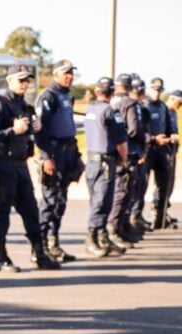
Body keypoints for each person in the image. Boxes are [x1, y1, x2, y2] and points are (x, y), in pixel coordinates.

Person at [0, 65, 60, 271]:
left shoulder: (25, 106)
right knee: (2, 213)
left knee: (31, 211)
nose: (24, 84)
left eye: (27, 80)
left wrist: (36, 129)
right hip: (2, 164)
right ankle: (0, 257)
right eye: (20, 80)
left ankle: (38, 253)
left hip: (20, 164)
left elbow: (34, 135)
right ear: (9, 81)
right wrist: (11, 130)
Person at [34, 60, 83, 263]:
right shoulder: (48, 96)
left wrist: (77, 155)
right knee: (50, 201)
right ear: (55, 74)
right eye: (65, 73)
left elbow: (69, 126)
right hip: (53, 154)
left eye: (71, 73)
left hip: (67, 153)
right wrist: (46, 158)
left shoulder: (66, 95)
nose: (69, 76)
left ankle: (54, 244)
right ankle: (42, 246)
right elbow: (40, 131)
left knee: (60, 202)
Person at [83, 77, 128, 257]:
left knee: (97, 200)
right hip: (105, 162)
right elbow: (121, 142)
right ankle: (92, 237)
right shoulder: (111, 112)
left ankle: (102, 236)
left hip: (92, 161)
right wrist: (123, 159)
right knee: (102, 201)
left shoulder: (89, 110)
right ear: (112, 92)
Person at [107, 73, 148, 248]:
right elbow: (134, 129)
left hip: (113, 150)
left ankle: (121, 227)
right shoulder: (131, 104)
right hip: (129, 151)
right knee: (124, 193)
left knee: (120, 192)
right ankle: (115, 228)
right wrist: (146, 138)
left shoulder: (109, 102)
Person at [142, 78, 174, 230]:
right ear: (149, 89)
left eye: (159, 89)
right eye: (154, 89)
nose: (157, 92)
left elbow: (168, 126)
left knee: (164, 184)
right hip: (148, 149)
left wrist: (172, 134)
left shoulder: (162, 106)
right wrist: (153, 139)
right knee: (141, 185)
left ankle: (160, 216)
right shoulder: (144, 106)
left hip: (162, 150)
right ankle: (137, 217)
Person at [128, 77, 153, 232]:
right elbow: (133, 132)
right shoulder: (129, 106)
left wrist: (144, 149)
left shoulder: (142, 108)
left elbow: (144, 129)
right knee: (131, 189)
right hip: (131, 152)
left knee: (141, 186)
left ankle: (136, 216)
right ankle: (130, 219)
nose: (139, 93)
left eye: (141, 90)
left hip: (140, 150)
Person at [164, 90, 181, 225]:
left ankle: (164, 212)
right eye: (179, 102)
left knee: (170, 183)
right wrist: (170, 138)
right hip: (162, 151)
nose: (179, 105)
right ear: (172, 99)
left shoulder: (174, 113)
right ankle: (159, 213)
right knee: (163, 184)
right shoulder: (162, 111)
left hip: (172, 151)